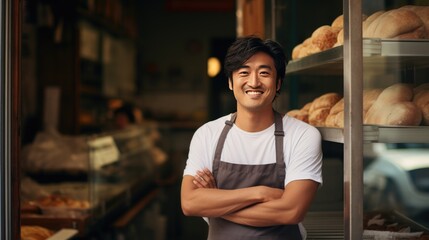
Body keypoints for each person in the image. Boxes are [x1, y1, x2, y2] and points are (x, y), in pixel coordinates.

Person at [180, 36, 323, 240]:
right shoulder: (207, 134)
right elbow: (189, 203)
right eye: (244, 72)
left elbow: (291, 211)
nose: (254, 82)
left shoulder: (302, 135)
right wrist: (260, 193)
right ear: (230, 82)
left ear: (278, 82)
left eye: (264, 73)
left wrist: (216, 204)